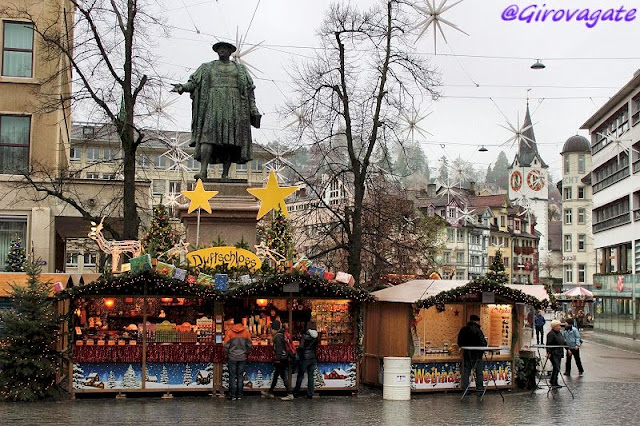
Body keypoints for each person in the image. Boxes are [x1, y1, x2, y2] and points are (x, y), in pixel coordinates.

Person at [172, 41, 261, 179]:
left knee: (230, 141)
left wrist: (253, 108)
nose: (222, 50)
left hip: (234, 107)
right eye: (220, 48)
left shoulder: (241, 70)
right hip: (212, 106)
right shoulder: (207, 67)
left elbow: (249, 91)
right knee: (207, 138)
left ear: (231, 52)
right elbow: (194, 83)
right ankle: (203, 171)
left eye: (225, 48)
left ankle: (225, 174)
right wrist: (182, 87)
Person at [261, 320, 294, 400]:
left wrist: (278, 359)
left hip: (281, 359)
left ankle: (289, 394)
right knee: (277, 375)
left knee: (282, 376)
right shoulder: (281, 335)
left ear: (274, 329)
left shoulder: (278, 336)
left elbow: (279, 349)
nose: (270, 330)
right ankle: (271, 392)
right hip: (283, 358)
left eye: (271, 329)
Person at [223, 315, 252, 400]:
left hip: (232, 356)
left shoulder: (230, 332)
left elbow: (225, 346)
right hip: (242, 357)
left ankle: (232, 394)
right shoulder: (246, 332)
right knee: (240, 375)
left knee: (232, 375)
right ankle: (239, 394)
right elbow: (250, 345)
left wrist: (227, 353)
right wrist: (246, 352)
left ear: (234, 322)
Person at [457, 314, 487, 392]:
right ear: (476, 321)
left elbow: (459, 342)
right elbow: (484, 343)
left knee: (466, 372)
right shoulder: (478, 330)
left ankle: (465, 389)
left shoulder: (464, 329)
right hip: (478, 355)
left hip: (467, 354)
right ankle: (480, 389)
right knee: (479, 372)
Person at [292, 321, 319, 399]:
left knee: (300, 375)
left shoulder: (305, 336)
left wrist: (298, 349)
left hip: (305, 358)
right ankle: (310, 393)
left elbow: (301, 346)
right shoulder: (317, 336)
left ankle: (296, 392)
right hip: (313, 358)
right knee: (311, 376)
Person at [545, 320, 566, 388]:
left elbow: (562, 341)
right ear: (554, 327)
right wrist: (548, 352)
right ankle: (553, 382)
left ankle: (554, 381)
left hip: (559, 352)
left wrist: (568, 348)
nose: (560, 327)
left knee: (557, 367)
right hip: (554, 353)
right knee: (556, 367)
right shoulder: (551, 334)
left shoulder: (559, 333)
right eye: (558, 326)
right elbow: (548, 344)